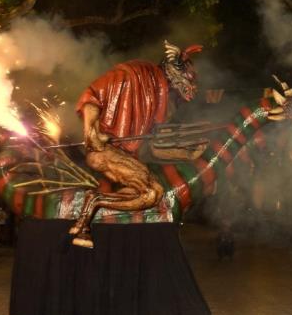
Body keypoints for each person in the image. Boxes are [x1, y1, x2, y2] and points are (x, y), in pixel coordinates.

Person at [70, 40, 204, 247]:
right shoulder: (134, 73)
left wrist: (187, 155)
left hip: (122, 155)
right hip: (105, 151)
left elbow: (152, 148)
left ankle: (87, 221)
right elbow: (93, 95)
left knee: (152, 192)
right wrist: (91, 133)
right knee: (151, 192)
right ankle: (89, 210)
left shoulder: (156, 93)